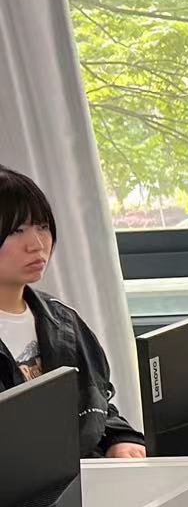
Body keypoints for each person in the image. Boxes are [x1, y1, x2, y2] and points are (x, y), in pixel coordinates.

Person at [0, 166, 146, 459]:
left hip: (83, 476)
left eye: (42, 226)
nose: (37, 245)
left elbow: (96, 404)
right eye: (17, 230)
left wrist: (119, 439)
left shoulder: (62, 320)